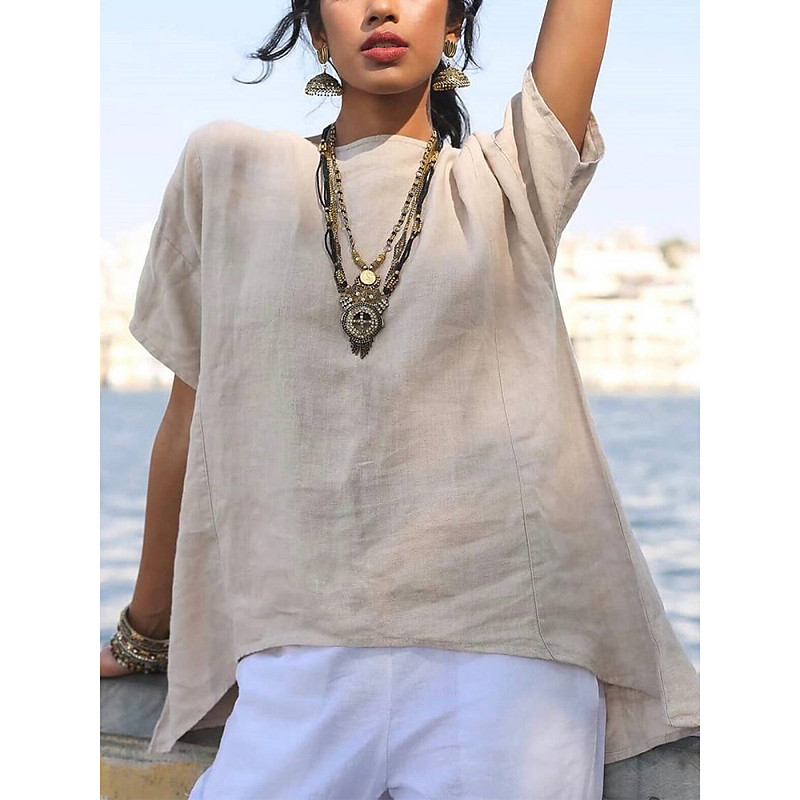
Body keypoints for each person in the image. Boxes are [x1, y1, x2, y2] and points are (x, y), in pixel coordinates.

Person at [100, 0, 701, 798]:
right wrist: (147, 633)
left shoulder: (510, 179)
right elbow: (186, 423)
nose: (382, 6)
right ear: (317, 29)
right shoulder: (227, 171)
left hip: (508, 668)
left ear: (454, 24)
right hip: (297, 655)